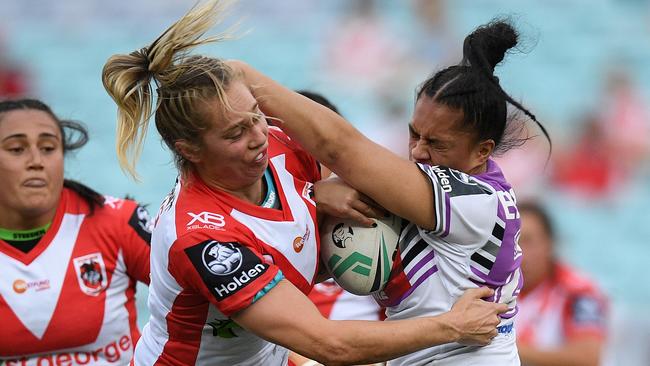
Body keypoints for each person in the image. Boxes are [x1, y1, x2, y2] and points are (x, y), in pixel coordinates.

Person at [101, 2, 507, 365]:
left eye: (256, 115)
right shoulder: (202, 238)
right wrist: (452, 326)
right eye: (234, 133)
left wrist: (313, 195)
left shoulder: (280, 148)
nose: (258, 136)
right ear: (188, 149)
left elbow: (345, 165)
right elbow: (330, 346)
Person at [230, 18, 552, 365]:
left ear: (482, 151)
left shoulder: (474, 201)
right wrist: (311, 196)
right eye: (415, 134)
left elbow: (340, 148)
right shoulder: (438, 197)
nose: (418, 151)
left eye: (436, 143)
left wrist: (245, 78)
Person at [0, 99, 152, 365]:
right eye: (16, 149)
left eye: (48, 148)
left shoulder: (117, 222)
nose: (36, 161)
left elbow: (203, 294)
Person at [515, 201, 608, 366]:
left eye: (528, 241)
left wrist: (507, 348)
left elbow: (588, 358)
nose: (519, 252)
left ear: (549, 244)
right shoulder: (494, 288)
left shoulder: (578, 291)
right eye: (513, 242)